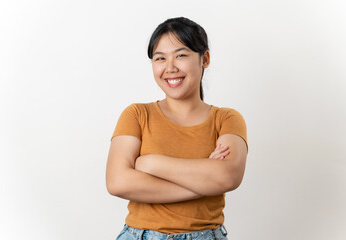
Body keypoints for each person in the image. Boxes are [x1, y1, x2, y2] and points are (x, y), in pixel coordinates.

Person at [106, 17, 248, 240]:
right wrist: (203, 184)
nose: (170, 68)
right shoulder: (136, 114)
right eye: (160, 58)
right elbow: (117, 182)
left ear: (205, 59)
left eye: (181, 55)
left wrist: (150, 163)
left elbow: (227, 177)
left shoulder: (226, 119)